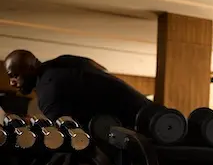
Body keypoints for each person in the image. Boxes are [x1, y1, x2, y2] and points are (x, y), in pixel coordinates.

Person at [4, 50, 150, 129]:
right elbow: (100, 68)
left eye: (14, 76)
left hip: (144, 123)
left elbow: (62, 136)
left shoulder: (48, 88)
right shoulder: (62, 62)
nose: (12, 83)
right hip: (145, 113)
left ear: (30, 68)